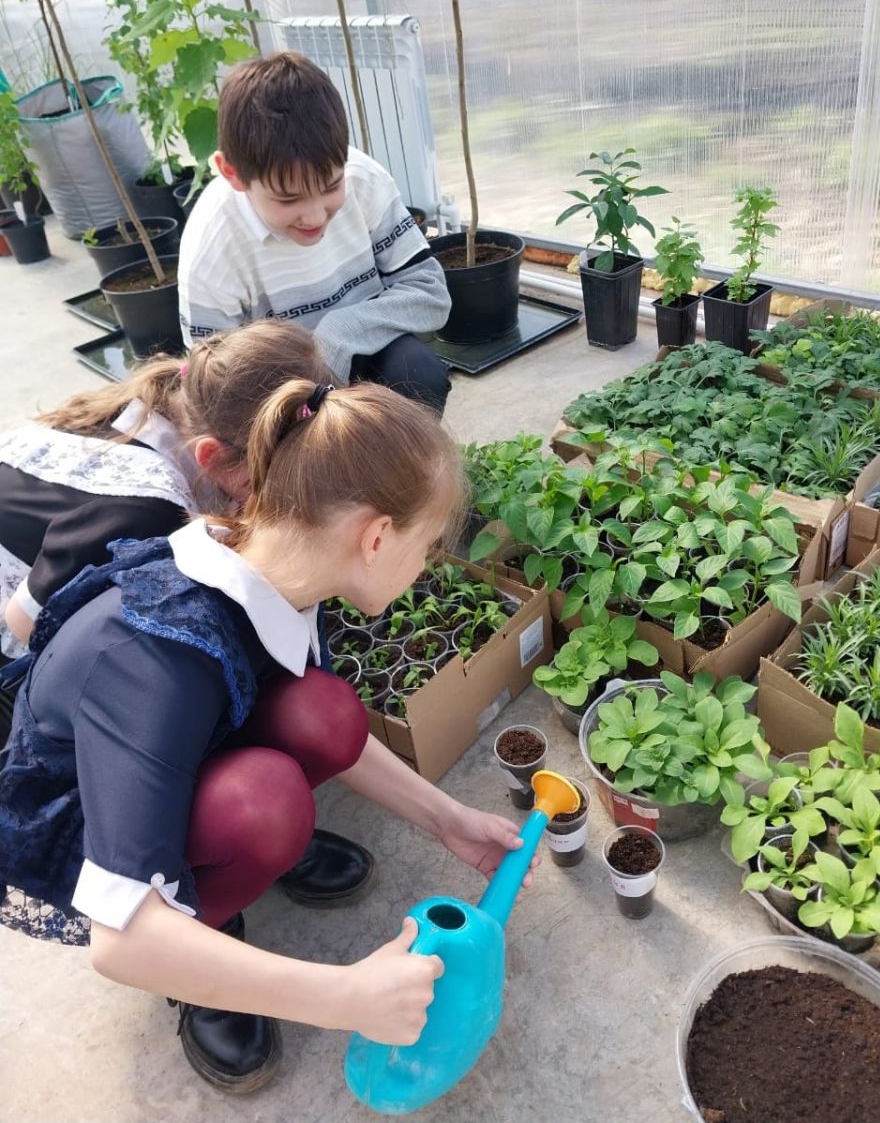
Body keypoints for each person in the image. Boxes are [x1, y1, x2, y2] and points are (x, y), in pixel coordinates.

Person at [0, 378, 535, 1093]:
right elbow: (120, 940)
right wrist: (346, 996)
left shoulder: (272, 558)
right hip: (89, 822)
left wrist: (448, 818)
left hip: (181, 742)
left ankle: (246, 854)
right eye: (428, 545)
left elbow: (305, 716)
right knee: (264, 804)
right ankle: (204, 954)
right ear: (376, 538)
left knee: (325, 711)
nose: (428, 563)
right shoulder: (153, 658)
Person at [0, 320, 371, 907]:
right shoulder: (147, 510)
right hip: (23, 677)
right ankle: (194, 898)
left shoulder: (178, 405)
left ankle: (240, 834)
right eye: (283, 473)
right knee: (188, 692)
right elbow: (24, 626)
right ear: (217, 460)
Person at [177, 51, 453, 415]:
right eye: (288, 198)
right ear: (233, 174)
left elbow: (429, 292)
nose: (315, 215)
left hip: (363, 345)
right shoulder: (211, 250)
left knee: (417, 373)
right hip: (274, 391)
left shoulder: (363, 180)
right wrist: (299, 398)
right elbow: (211, 384)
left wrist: (337, 334)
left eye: (331, 187)